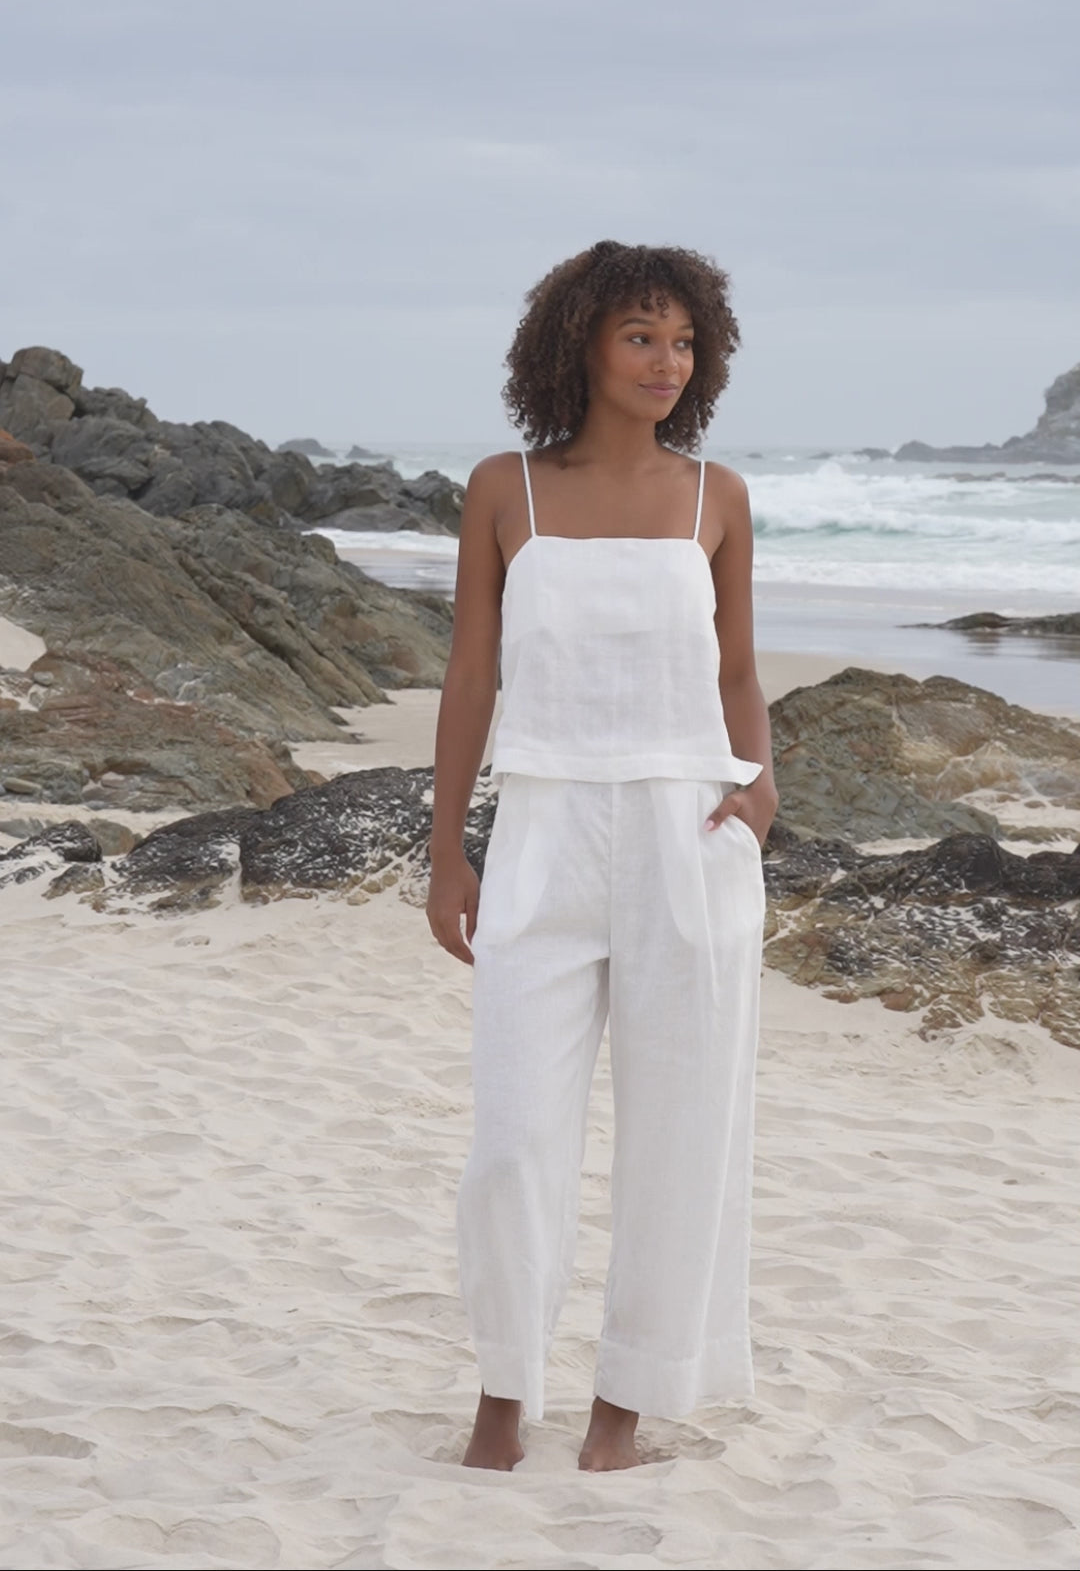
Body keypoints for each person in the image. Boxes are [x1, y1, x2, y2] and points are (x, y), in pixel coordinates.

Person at [426, 239, 777, 1473]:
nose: (666, 362)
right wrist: (446, 849)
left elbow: (736, 669)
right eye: (641, 336)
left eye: (683, 341)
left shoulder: (714, 496)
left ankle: (621, 1417)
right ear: (578, 343)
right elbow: (473, 674)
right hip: (542, 830)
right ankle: (501, 1403)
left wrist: (762, 781)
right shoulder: (503, 487)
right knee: (516, 1133)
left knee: (681, 1128)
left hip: (690, 830)